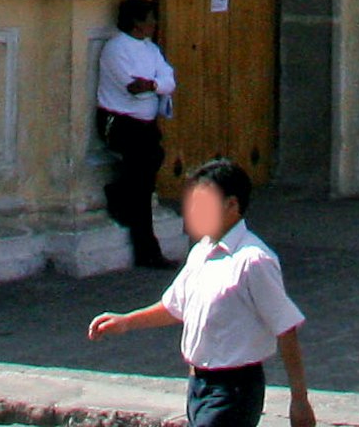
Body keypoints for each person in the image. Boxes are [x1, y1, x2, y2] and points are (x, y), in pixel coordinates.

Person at [88, 157, 316, 427]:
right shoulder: (202, 252)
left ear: (232, 205)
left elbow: (285, 327)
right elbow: (175, 306)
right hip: (198, 387)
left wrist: (299, 399)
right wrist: (127, 321)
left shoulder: (253, 261)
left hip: (234, 391)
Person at [96, 0, 179, 270]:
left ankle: (119, 194)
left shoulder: (150, 49)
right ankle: (147, 249)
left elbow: (168, 80)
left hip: (145, 124)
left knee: (150, 164)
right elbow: (132, 87)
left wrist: (153, 85)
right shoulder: (116, 49)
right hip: (122, 123)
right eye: (150, 18)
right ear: (136, 22)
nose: (154, 24)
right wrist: (154, 85)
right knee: (142, 186)